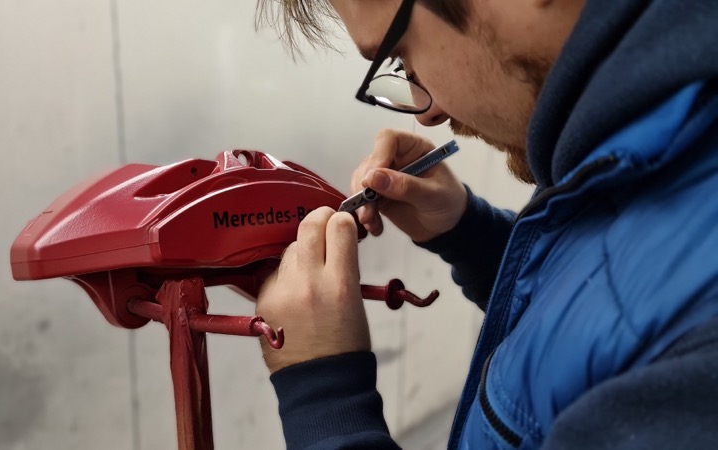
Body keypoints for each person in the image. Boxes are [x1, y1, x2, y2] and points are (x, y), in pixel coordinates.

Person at [253, 0, 718, 448]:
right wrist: (470, 235)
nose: (428, 113)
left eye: (403, 57)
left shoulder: (697, 361)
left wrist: (324, 395)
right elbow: (607, 300)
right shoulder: (645, 152)